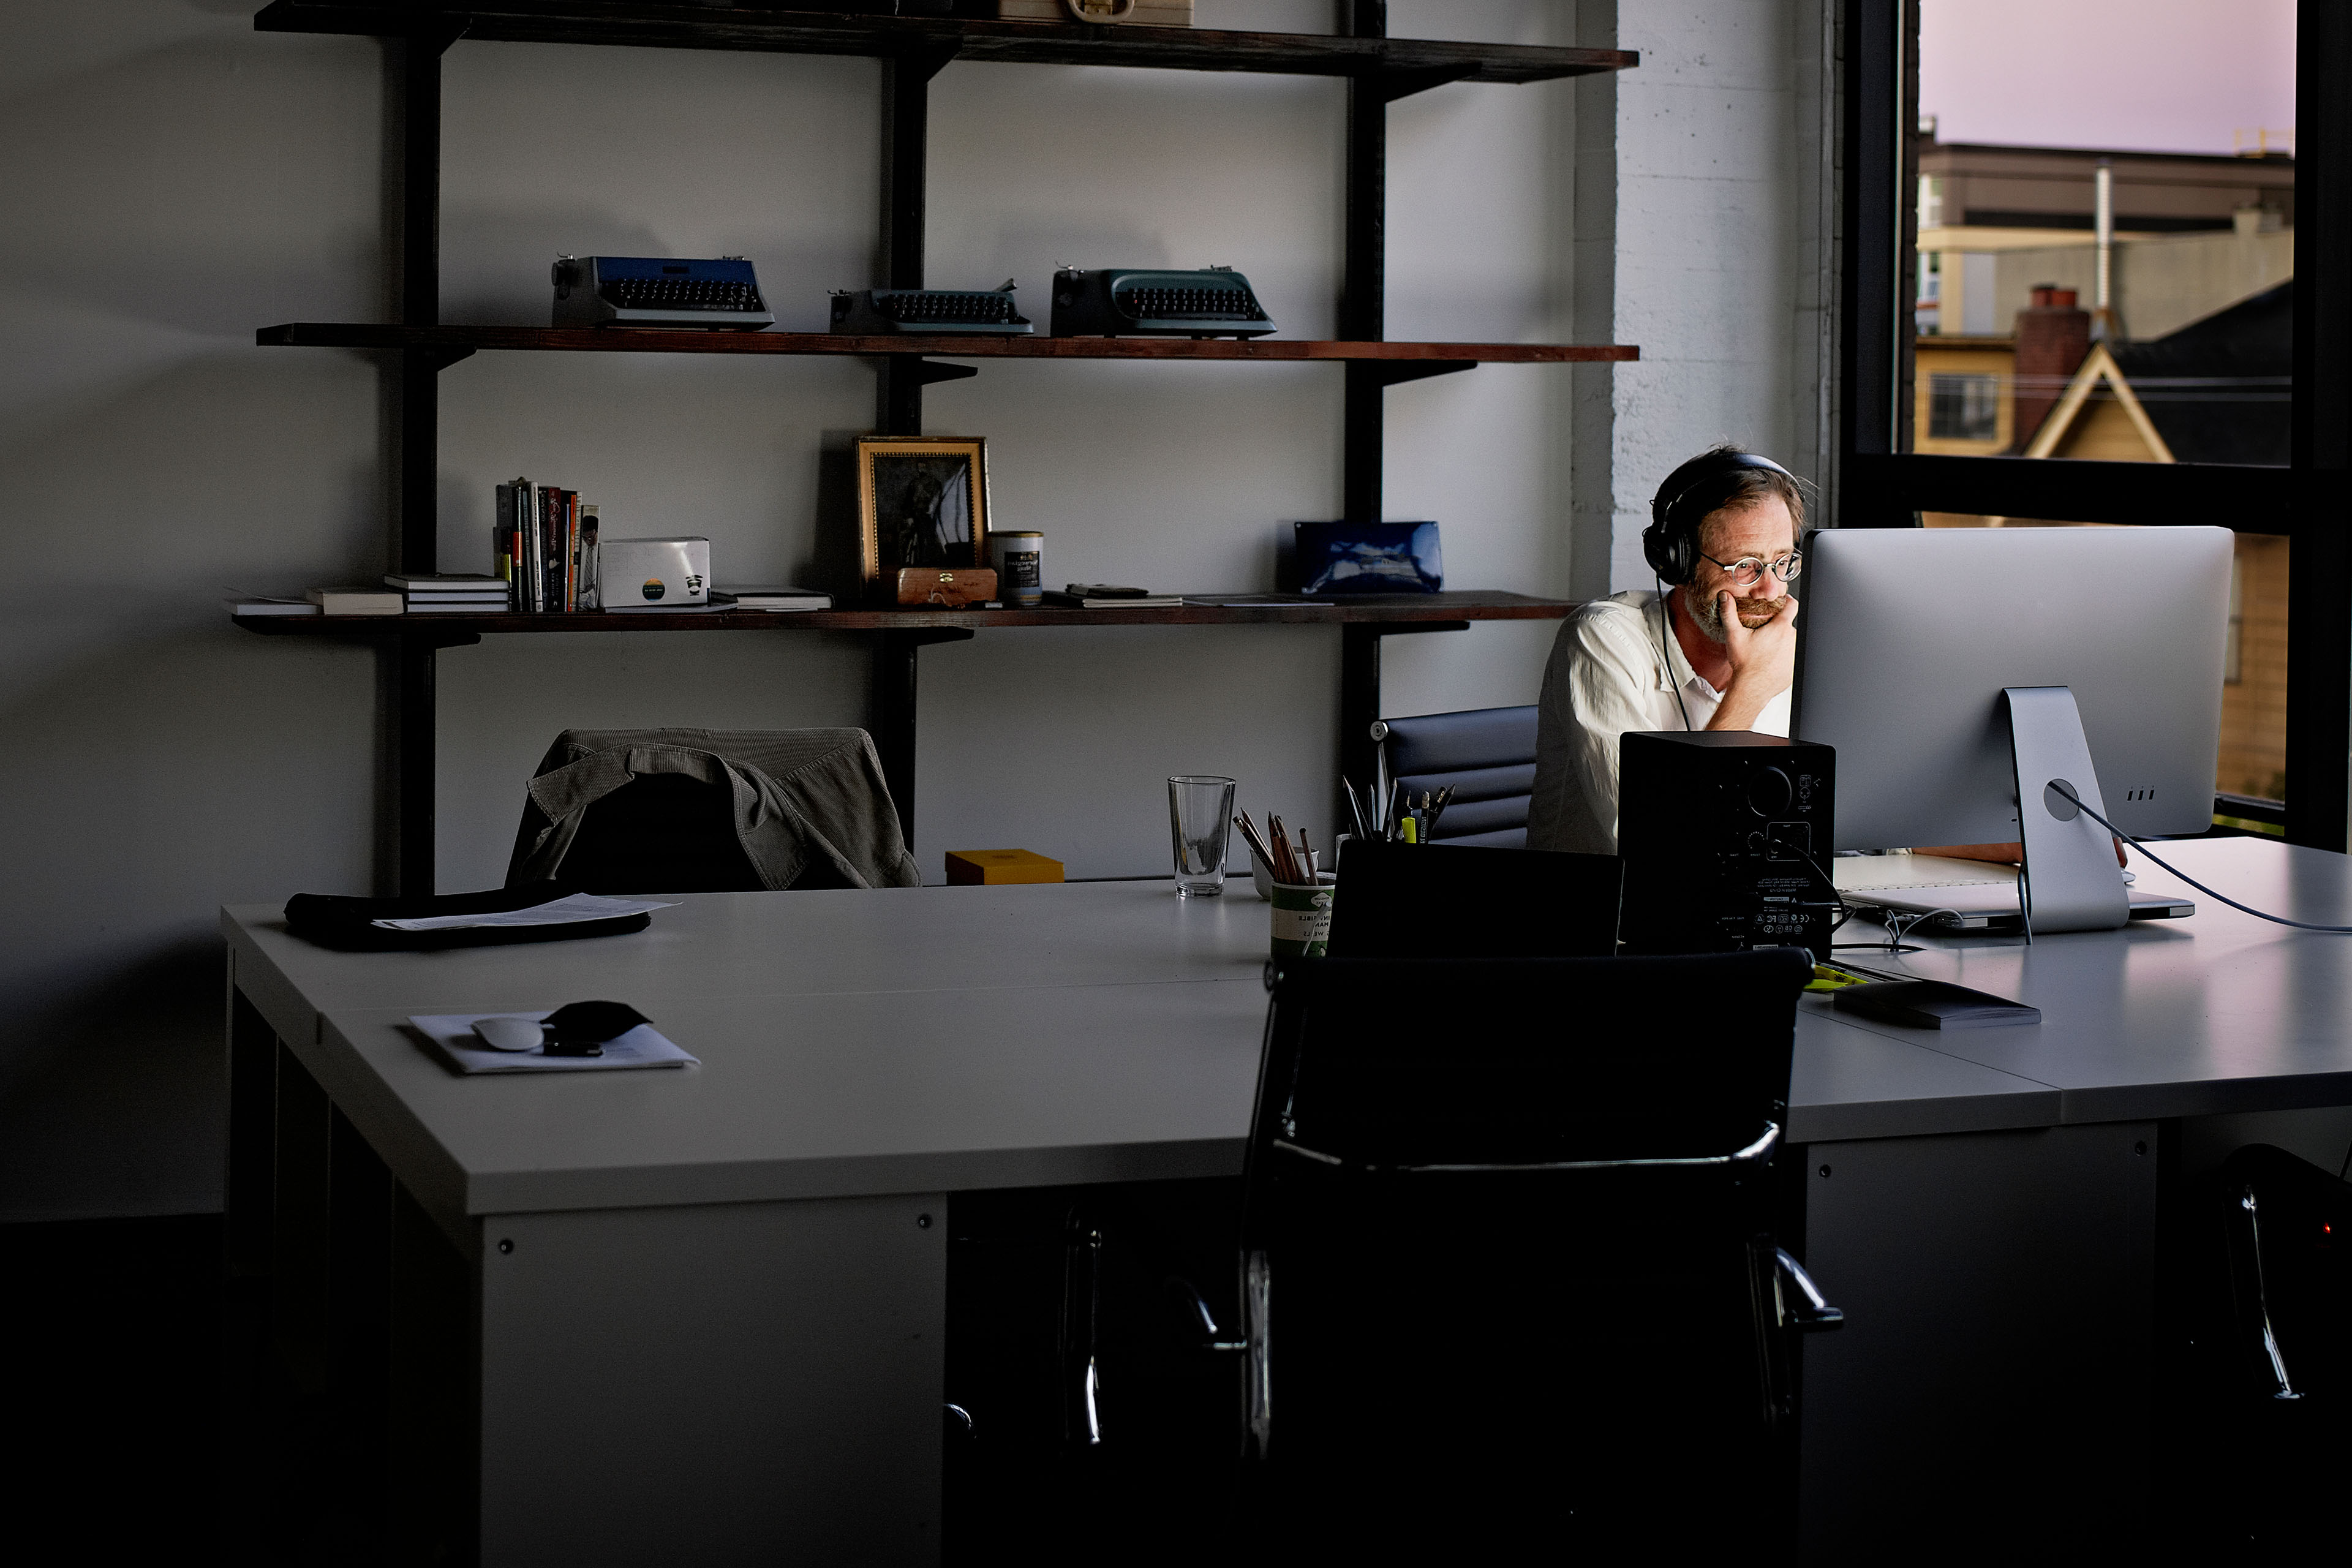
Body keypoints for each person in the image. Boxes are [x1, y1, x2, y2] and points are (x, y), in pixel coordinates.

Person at [1528, 446, 1804, 855]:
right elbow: (1655, 842)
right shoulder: (1601, 640)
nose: (1771, 590)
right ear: (1678, 563)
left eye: (1783, 562)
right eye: (1745, 565)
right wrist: (1751, 688)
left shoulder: (1791, 650)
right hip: (1605, 913)